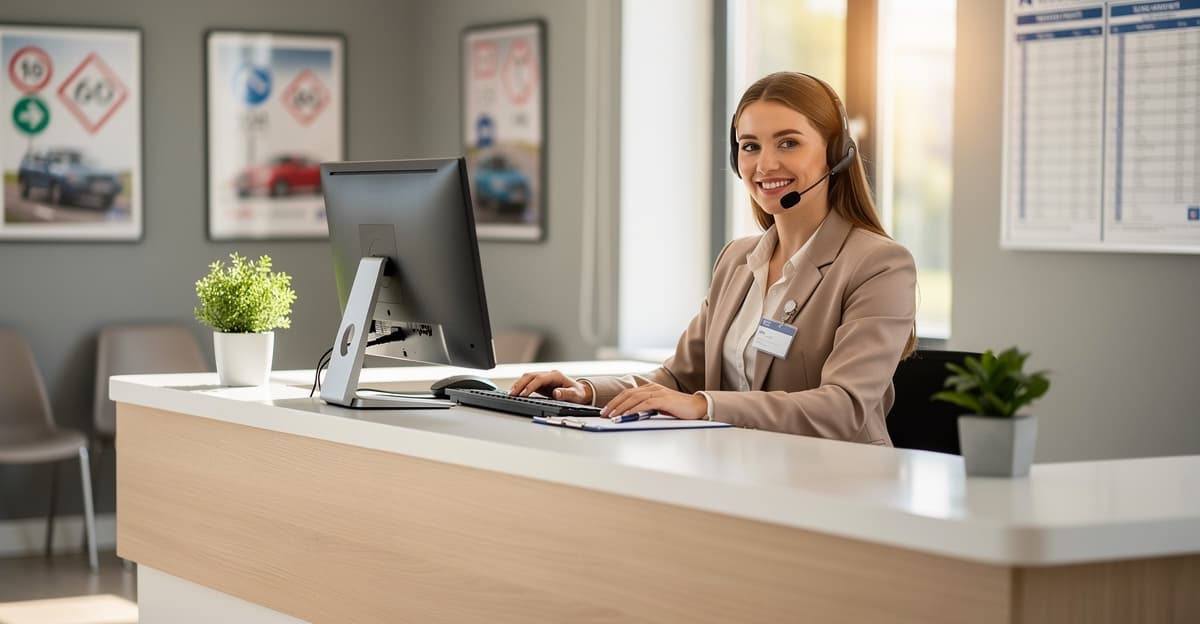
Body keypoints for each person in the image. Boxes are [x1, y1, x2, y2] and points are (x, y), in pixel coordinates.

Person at [511, 72, 917, 445]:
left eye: (788, 142)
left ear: (836, 153)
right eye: (750, 146)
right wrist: (584, 391)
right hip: (732, 469)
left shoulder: (879, 265)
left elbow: (844, 407)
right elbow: (677, 378)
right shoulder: (737, 260)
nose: (765, 164)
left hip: (836, 484)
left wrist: (706, 406)